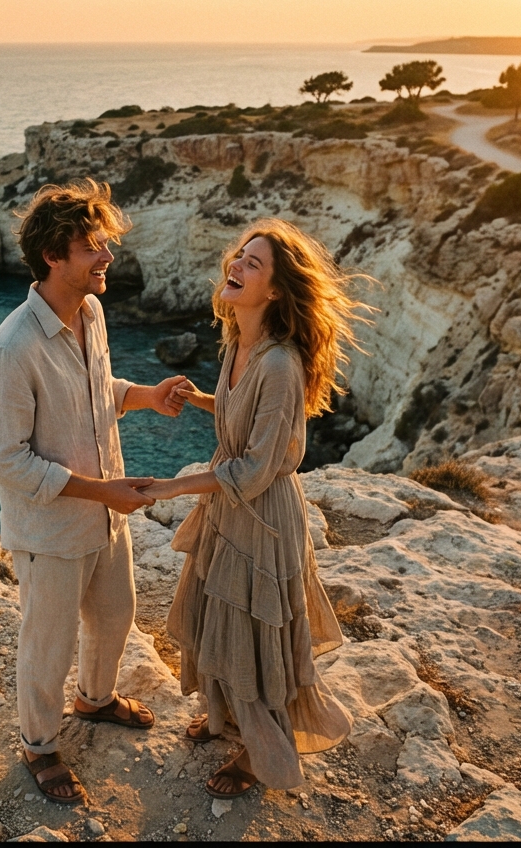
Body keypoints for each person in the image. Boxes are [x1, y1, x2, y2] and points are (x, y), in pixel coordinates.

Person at [0, 179, 189, 805]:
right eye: (92, 246)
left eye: (105, 243)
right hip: (51, 530)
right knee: (48, 644)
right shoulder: (13, 348)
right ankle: (39, 745)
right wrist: (104, 492)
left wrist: (147, 396)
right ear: (53, 256)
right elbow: (6, 460)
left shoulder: (91, 314)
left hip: (105, 516)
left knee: (114, 614)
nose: (107, 256)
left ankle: (95, 700)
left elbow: (99, 393)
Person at [146, 218, 369, 799]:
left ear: (274, 291)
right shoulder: (238, 344)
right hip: (229, 511)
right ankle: (227, 715)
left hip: (263, 517)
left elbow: (255, 468)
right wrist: (200, 398)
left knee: (254, 636)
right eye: (239, 255)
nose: (236, 265)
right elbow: (239, 416)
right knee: (217, 619)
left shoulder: (278, 364)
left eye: (253, 263)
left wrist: (172, 487)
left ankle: (261, 748)